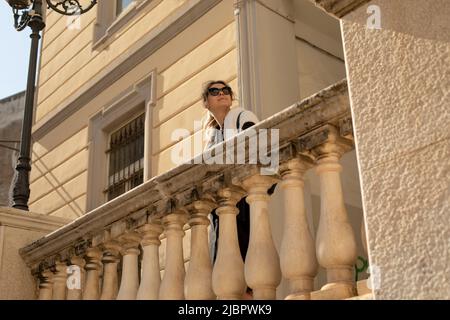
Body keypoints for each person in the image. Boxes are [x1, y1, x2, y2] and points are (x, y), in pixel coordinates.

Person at [201, 80, 276, 297]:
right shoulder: (211, 138)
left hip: (243, 208)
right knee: (226, 283)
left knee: (249, 280)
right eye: (214, 91)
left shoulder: (244, 117)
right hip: (221, 215)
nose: (221, 93)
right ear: (206, 102)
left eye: (226, 90)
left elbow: (261, 153)